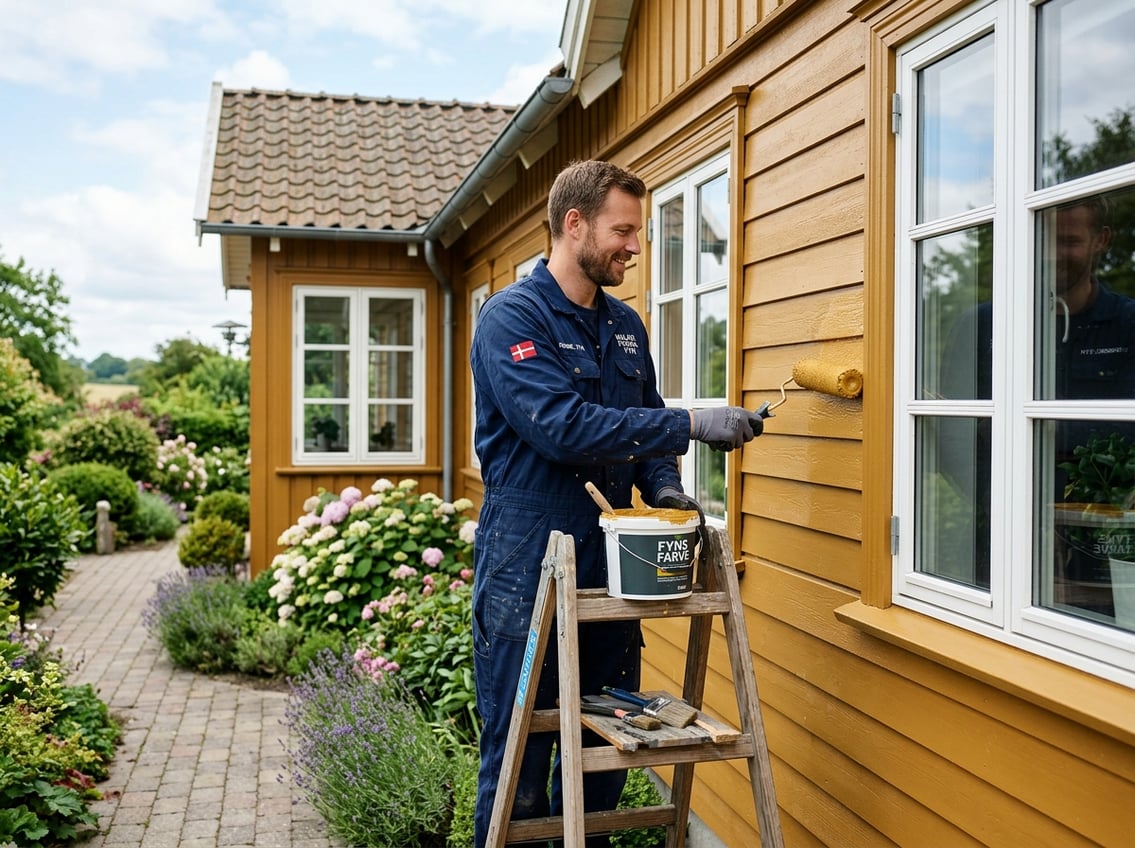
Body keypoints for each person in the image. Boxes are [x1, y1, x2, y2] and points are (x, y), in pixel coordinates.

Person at [468, 159, 762, 847]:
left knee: (606, 741)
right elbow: (561, 428)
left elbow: (644, 419)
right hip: (527, 556)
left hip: (612, 561)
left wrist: (662, 486)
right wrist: (692, 424)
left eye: (637, 232)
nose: (635, 246)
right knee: (521, 757)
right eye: (622, 230)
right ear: (574, 226)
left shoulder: (626, 326)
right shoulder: (512, 317)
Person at [940, 194, 1135, 601]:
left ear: (1101, 239)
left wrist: (1102, 516)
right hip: (1002, 539)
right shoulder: (980, 327)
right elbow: (950, 436)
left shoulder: (1128, 325)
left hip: (1110, 543)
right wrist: (1013, 513)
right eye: (1044, 240)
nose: (1052, 255)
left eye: (1068, 241)